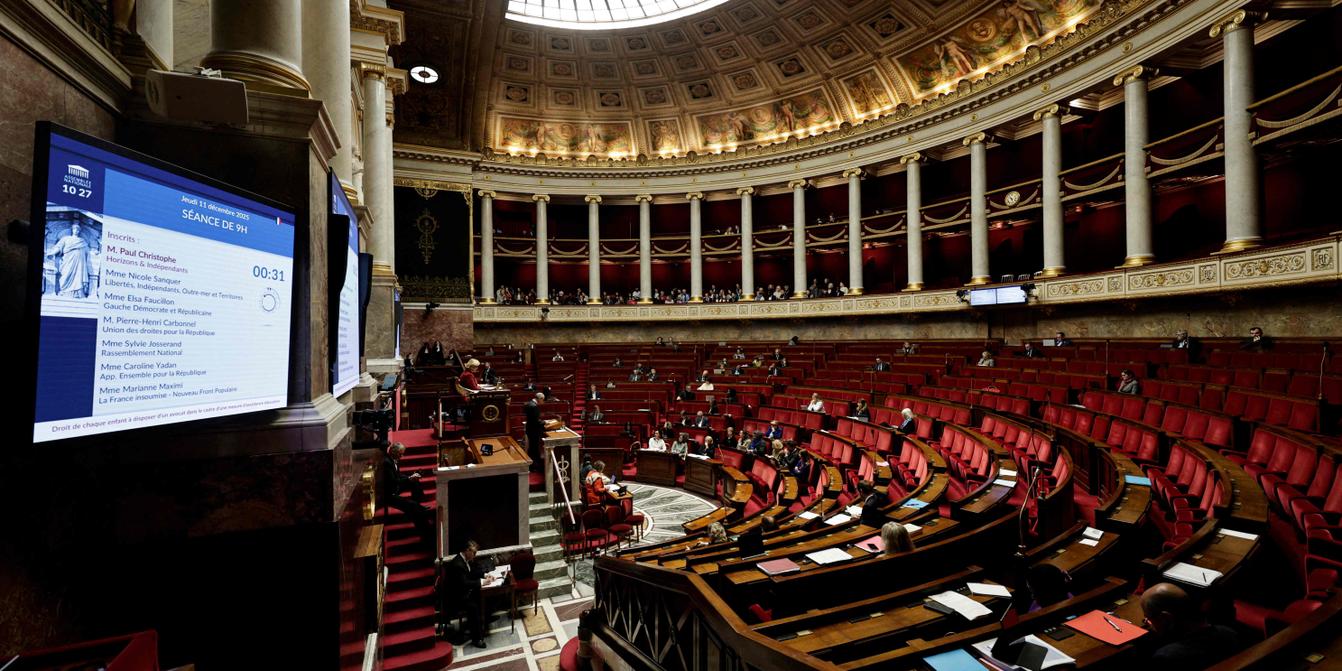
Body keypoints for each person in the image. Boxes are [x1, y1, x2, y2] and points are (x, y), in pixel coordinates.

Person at [1139, 582, 1239, 669]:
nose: (1149, 623)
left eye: (1149, 618)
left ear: (1166, 618)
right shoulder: (1229, 633)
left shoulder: (1166, 658)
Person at [382, 443, 434, 547]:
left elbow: (398, 475)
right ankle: (425, 533)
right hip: (390, 494)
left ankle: (418, 503)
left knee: (414, 482)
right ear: (393, 452)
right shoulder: (387, 463)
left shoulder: (394, 459)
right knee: (412, 507)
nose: (402, 457)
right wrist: (408, 479)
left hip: (395, 486)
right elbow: (393, 481)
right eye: (400, 454)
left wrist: (410, 477)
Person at [444, 540, 493, 648]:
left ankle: (485, 621)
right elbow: (464, 584)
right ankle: (477, 639)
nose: (475, 555)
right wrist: (482, 582)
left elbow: (472, 573)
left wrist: (485, 575)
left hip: (464, 592)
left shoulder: (465, 560)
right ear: (467, 551)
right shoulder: (458, 564)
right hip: (456, 598)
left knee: (486, 598)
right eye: (473, 553)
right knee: (473, 607)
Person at [524, 393, 545, 469]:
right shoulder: (534, 406)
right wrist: (545, 422)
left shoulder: (529, 403)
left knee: (532, 447)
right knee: (534, 448)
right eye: (543, 400)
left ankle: (532, 464)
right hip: (533, 431)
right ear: (540, 398)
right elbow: (536, 421)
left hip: (530, 429)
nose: (543, 402)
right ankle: (534, 466)